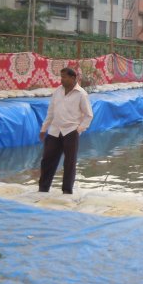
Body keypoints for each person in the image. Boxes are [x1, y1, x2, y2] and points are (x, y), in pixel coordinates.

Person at [38, 67, 93, 195]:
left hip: (70, 131)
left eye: (64, 77)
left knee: (69, 162)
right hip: (54, 131)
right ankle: (43, 188)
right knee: (47, 160)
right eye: (61, 77)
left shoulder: (81, 94)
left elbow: (88, 115)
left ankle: (67, 190)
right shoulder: (57, 91)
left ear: (73, 78)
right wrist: (43, 129)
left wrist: (79, 130)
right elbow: (50, 112)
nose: (61, 79)